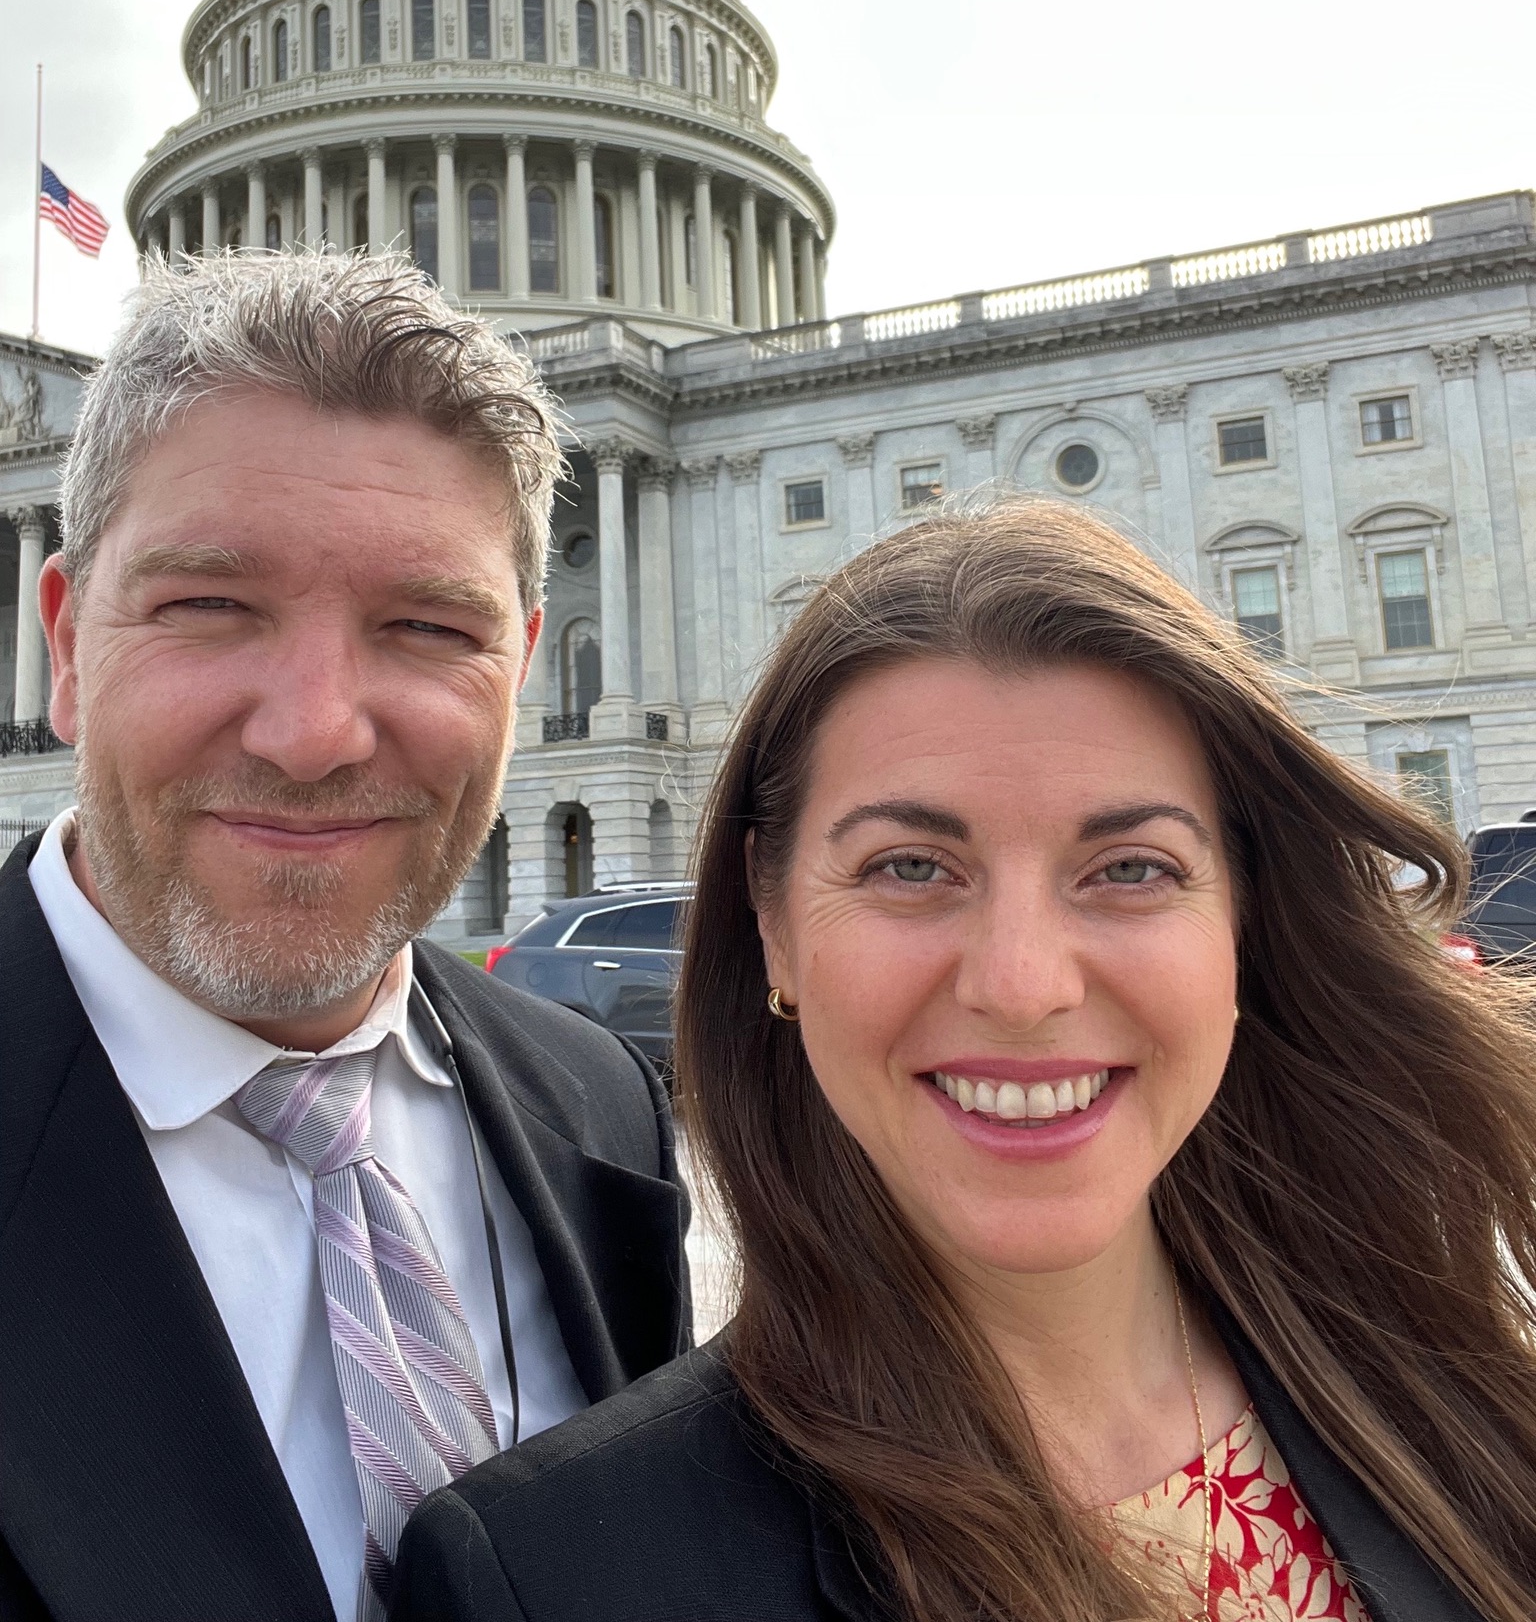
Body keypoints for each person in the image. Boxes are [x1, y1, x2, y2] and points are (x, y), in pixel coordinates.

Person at [393, 500, 1536, 1622]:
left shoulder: (1461, 1384)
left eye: (1131, 867)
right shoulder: (551, 1580)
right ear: (771, 916)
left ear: (1241, 915)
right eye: (910, 866)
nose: (1024, 983)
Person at [0, 252, 689, 1622]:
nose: (315, 732)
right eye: (210, 606)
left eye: (429, 627)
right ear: (67, 646)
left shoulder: (599, 1105)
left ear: (523, 668)